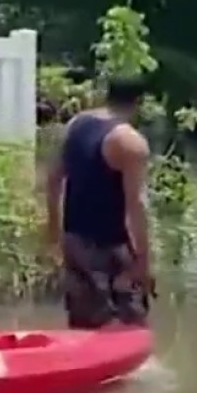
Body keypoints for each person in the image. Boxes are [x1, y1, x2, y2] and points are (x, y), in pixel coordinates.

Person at [44, 75, 154, 329]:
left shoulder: (76, 124)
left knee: (83, 326)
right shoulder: (130, 142)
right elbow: (136, 206)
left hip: (74, 241)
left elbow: (52, 180)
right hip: (110, 248)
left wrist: (53, 233)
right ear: (140, 102)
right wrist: (143, 262)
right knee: (129, 329)